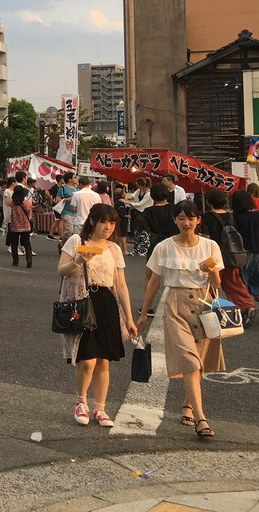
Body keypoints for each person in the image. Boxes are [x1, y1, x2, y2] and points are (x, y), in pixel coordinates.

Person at [137, 200, 224, 438]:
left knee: (199, 360)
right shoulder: (164, 247)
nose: (187, 223)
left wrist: (212, 271)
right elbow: (154, 281)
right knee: (189, 360)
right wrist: (144, 312)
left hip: (204, 303)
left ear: (198, 220)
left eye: (191, 218)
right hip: (175, 304)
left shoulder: (211, 246)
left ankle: (188, 404)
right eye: (182, 218)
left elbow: (217, 284)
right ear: (174, 220)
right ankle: (201, 419)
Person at [56, 204, 137, 428]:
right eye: (104, 222)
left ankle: (100, 408)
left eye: (112, 223)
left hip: (107, 304)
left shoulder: (114, 249)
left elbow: (121, 285)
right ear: (92, 221)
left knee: (104, 361)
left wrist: (129, 319)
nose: (108, 227)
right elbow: (61, 270)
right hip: (83, 303)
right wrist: (78, 261)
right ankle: (81, 401)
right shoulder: (77, 242)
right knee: (87, 359)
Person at [199, 190, 256, 327]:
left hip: (214, 256)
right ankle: (247, 305)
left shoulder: (208, 216)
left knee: (211, 284)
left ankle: (211, 312)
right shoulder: (230, 216)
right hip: (231, 256)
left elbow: (206, 237)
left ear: (208, 202)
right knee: (234, 284)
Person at [140, 183, 178, 317]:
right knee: (174, 274)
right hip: (174, 242)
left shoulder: (148, 211)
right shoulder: (174, 208)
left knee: (150, 276)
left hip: (156, 243)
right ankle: (174, 306)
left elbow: (143, 226)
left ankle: (148, 306)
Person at [231, 190, 259, 315]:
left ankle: (248, 305)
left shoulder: (237, 217)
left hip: (244, 253)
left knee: (243, 279)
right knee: (258, 277)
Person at [7, 185, 34, 268]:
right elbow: (29, 212)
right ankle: (29, 259)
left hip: (15, 226)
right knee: (27, 244)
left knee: (14, 244)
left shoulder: (12, 203)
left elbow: (8, 205)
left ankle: (15, 261)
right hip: (25, 226)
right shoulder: (26, 203)